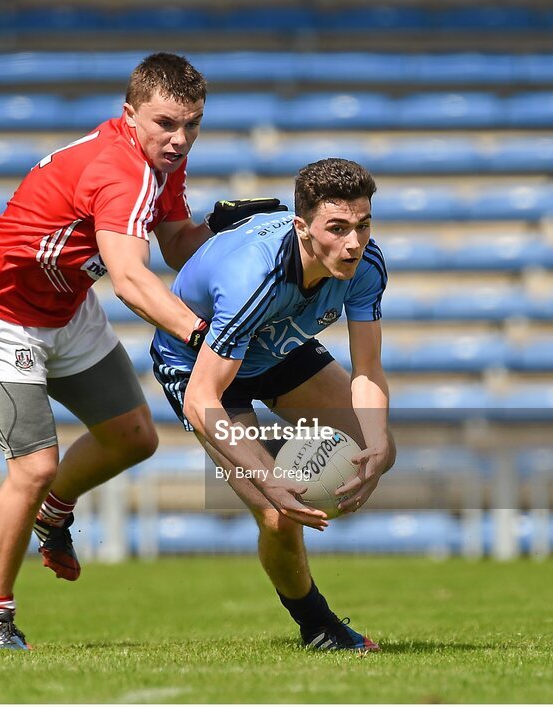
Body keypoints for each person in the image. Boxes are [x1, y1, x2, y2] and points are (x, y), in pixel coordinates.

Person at [0, 52, 276, 650]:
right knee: (33, 466)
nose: (180, 139)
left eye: (193, 124)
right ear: (130, 116)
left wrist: (228, 233)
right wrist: (203, 335)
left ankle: (55, 511)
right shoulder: (120, 169)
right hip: (2, 314)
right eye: (166, 124)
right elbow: (129, 280)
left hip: (67, 308)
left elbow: (177, 243)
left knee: (134, 437)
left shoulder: (159, 160)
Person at [150, 158, 396, 651]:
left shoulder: (364, 266)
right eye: (338, 228)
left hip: (279, 346)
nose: (353, 242)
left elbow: (367, 370)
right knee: (278, 513)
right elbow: (203, 400)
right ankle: (318, 626)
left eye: (363, 225)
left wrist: (375, 442)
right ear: (302, 228)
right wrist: (265, 478)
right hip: (204, 368)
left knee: (381, 449)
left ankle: (303, 467)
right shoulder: (253, 279)